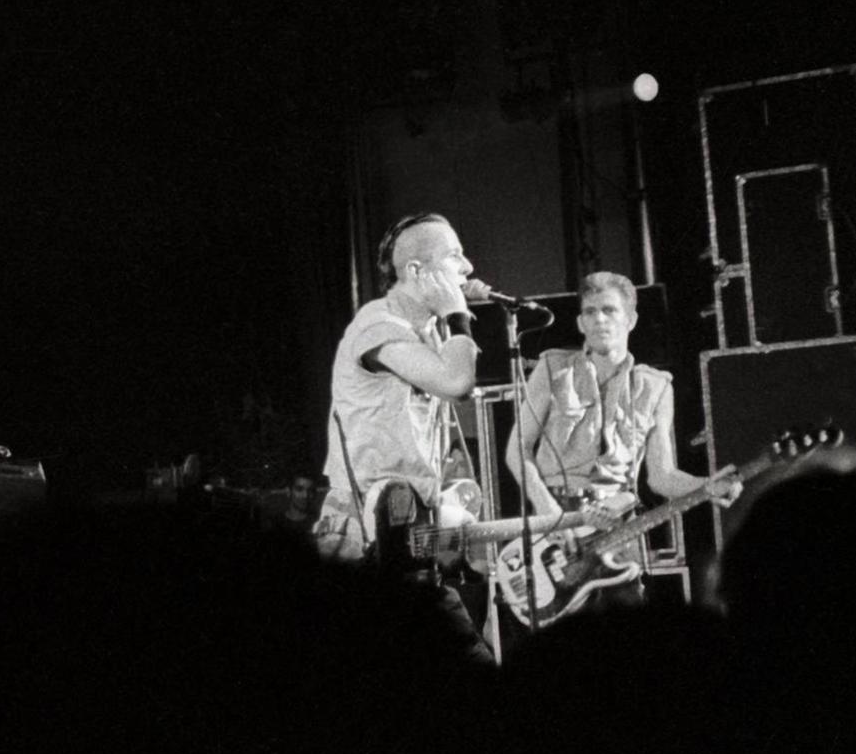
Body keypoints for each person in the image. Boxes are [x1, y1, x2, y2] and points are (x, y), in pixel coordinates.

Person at [312, 212, 490, 659]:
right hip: (366, 548)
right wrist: (457, 314)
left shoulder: (425, 334)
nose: (467, 267)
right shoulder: (377, 325)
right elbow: (456, 382)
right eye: (455, 256)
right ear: (416, 272)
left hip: (407, 542)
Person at [503, 271, 737, 611]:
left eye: (609, 310)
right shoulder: (553, 368)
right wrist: (549, 512)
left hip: (618, 526)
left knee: (625, 641)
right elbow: (517, 449)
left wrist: (706, 485)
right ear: (581, 323)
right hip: (559, 521)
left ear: (631, 319)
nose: (599, 319)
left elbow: (661, 476)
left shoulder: (655, 387)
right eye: (590, 311)